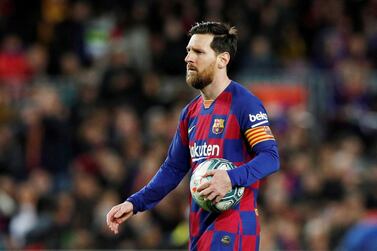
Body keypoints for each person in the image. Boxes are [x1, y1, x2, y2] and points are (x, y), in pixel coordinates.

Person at [106, 21, 280, 251]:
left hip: (233, 226)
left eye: (198, 52)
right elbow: (173, 168)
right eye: (188, 51)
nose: (188, 58)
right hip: (200, 227)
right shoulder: (190, 113)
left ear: (222, 59)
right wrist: (134, 202)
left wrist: (231, 178)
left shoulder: (244, 103)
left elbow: (270, 157)